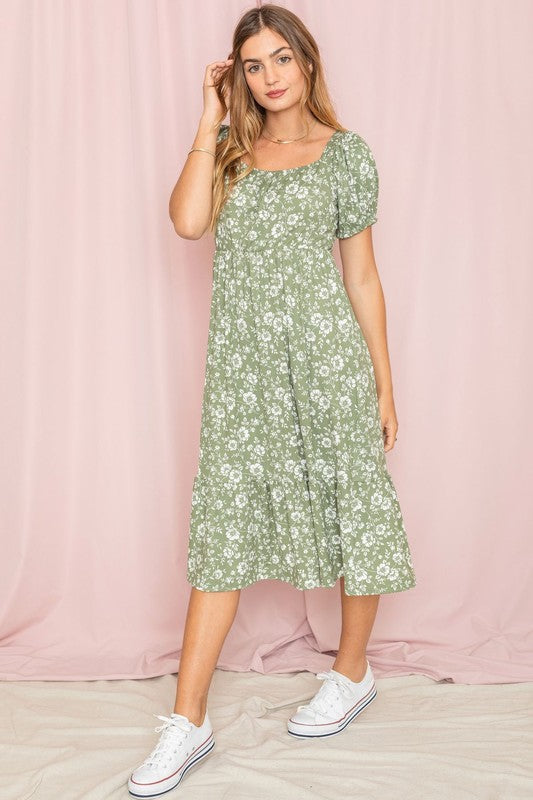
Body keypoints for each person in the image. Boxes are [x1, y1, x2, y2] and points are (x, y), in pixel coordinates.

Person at [128, 3, 416, 797]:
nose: (269, 76)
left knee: (352, 506)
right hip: (243, 377)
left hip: (327, 363)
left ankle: (351, 674)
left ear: (307, 62)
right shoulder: (228, 152)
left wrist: (383, 380)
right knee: (221, 528)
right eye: (252, 65)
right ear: (239, 77)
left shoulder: (345, 155)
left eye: (280, 59)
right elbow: (188, 223)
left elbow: (361, 274)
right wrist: (208, 117)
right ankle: (188, 722)